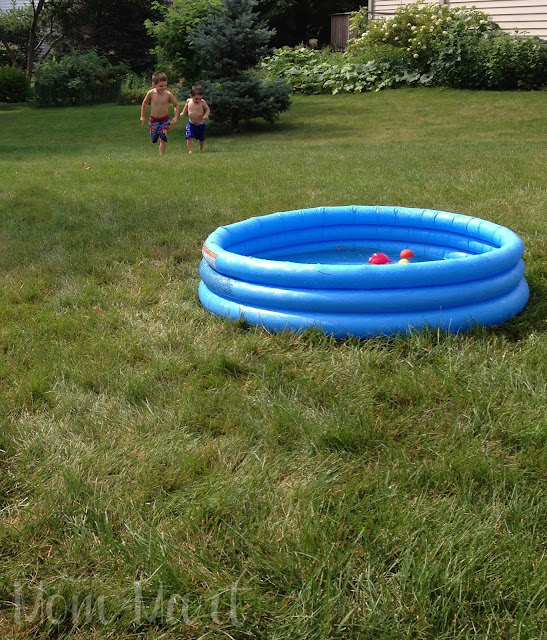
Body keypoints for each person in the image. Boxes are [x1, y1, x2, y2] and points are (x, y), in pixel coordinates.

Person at [140, 72, 179, 156]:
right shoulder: (151, 93)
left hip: (165, 120)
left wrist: (176, 117)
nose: (163, 88)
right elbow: (145, 103)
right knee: (154, 139)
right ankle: (155, 135)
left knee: (163, 137)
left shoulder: (168, 94)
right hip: (154, 120)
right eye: (161, 86)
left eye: (165, 85)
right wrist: (143, 116)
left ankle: (162, 155)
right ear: (154, 84)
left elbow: (176, 104)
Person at [180, 85, 210, 154]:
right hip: (191, 123)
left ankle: (201, 148)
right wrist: (183, 113)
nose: (198, 100)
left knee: (201, 138)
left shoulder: (202, 102)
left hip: (200, 124)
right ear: (191, 96)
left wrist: (206, 115)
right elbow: (186, 107)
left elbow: (207, 109)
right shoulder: (188, 101)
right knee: (189, 136)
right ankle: (190, 150)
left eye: (200, 98)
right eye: (196, 99)